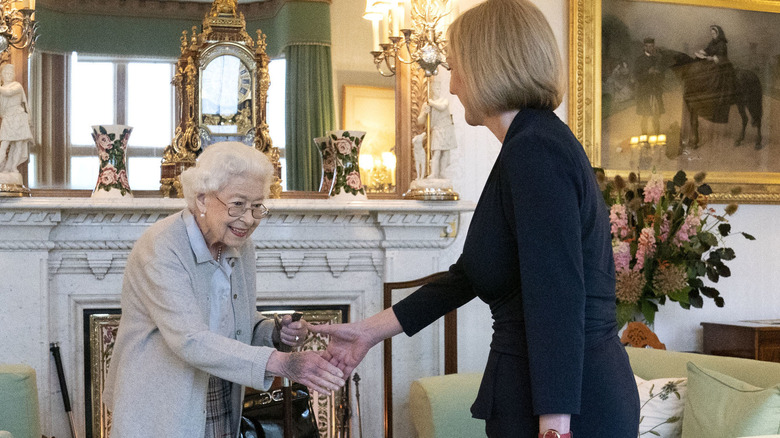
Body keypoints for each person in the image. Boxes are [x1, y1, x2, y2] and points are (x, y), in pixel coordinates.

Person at [311, 1, 640, 437]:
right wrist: (370, 331)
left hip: (570, 407)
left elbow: (556, 291)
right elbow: (472, 274)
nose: (453, 81)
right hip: (540, 393)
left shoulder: (534, 149)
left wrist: (554, 427)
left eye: (457, 65)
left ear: (488, 66)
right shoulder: (529, 143)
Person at [103, 142, 345, 437]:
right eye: (238, 204)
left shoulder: (240, 246)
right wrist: (284, 363)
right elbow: (190, 339)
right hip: (164, 405)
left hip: (221, 391)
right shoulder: (161, 246)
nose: (248, 219)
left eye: (257, 206)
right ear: (202, 199)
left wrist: (274, 332)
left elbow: (235, 321)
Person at [694, 24, 735, 123]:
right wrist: (701, 53)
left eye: (713, 33)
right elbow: (708, 50)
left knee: (714, 78)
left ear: (718, 33)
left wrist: (711, 58)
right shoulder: (713, 42)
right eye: (711, 33)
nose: (712, 35)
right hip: (712, 63)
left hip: (722, 66)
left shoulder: (722, 44)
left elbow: (721, 56)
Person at [417, 76, 457, 180]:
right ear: (432, 89)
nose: (437, 90)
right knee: (437, 152)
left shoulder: (443, 101)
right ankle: (434, 173)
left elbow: (442, 107)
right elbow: (420, 121)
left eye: (439, 88)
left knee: (446, 153)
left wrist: (432, 103)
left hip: (447, 128)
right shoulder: (427, 104)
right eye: (435, 88)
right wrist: (424, 114)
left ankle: (442, 172)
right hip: (437, 130)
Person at [0, 64, 32, 177]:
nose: (8, 75)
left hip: (18, 118)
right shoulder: (2, 89)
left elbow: (8, 92)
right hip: (8, 118)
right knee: (4, 143)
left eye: (10, 73)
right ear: (2, 76)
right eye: (6, 73)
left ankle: (13, 167)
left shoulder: (16, 86)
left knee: (19, 144)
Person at [633, 38, 665, 134]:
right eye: (648, 46)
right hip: (644, 92)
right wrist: (648, 72)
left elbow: (663, 76)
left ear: (654, 46)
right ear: (644, 47)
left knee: (656, 116)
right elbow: (637, 76)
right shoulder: (639, 60)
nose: (650, 48)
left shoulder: (657, 59)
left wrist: (659, 73)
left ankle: (657, 136)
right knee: (645, 116)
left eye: (652, 46)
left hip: (655, 92)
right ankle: (644, 138)